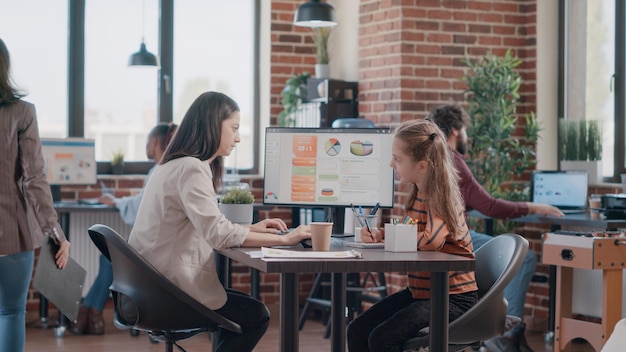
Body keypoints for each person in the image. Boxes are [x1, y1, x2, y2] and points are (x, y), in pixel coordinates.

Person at [128, 91, 311, 352]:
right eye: (234, 128)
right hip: (168, 291)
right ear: (214, 125)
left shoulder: (172, 165)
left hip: (151, 287)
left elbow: (205, 225)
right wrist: (285, 239)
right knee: (256, 316)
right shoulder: (191, 168)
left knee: (246, 311)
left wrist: (250, 228)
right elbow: (218, 235)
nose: (237, 138)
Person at [426, 104, 564, 352]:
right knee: (524, 258)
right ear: (456, 131)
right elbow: (489, 206)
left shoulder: (432, 158)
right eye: (465, 130)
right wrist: (535, 207)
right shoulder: (452, 159)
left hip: (437, 238)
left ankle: (500, 331)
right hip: (454, 239)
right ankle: (502, 334)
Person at [346, 119, 478, 351]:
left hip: (452, 300)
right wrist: (382, 234)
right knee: (357, 329)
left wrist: (393, 236)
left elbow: (430, 241)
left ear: (423, 165)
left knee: (382, 338)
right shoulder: (418, 195)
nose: (391, 164)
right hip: (422, 293)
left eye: (397, 159)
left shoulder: (441, 199)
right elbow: (411, 232)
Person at [68, 122, 178, 335]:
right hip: (159, 240)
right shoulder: (162, 169)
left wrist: (116, 202)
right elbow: (143, 202)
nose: (146, 146)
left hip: (158, 247)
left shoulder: (159, 170)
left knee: (109, 259)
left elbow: (140, 206)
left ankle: (89, 314)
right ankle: (90, 314)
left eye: (147, 142)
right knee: (108, 258)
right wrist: (118, 201)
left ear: (154, 142)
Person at [0, 37, 71, 352]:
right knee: (11, 313)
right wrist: (55, 232)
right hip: (12, 234)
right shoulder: (22, 112)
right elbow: (34, 179)